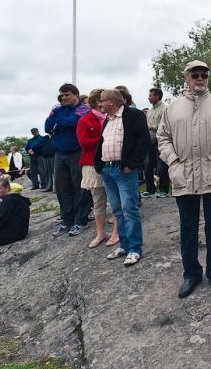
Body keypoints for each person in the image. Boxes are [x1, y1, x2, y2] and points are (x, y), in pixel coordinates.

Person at [157, 60, 211, 298]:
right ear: (186, 77)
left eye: (204, 74)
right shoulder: (172, 108)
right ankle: (191, 273)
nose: (200, 78)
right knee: (188, 228)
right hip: (184, 176)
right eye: (195, 74)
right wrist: (173, 162)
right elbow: (163, 138)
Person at [94, 89, 150, 266]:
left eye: (101, 101)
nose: (99, 104)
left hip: (123, 170)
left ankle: (135, 249)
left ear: (111, 101)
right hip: (108, 170)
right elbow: (103, 142)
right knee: (117, 210)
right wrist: (99, 165)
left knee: (129, 209)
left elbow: (143, 140)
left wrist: (130, 164)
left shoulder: (133, 114)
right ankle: (124, 245)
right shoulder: (107, 119)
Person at [45, 83, 91, 237]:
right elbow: (47, 126)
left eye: (67, 94)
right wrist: (58, 118)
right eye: (62, 95)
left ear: (76, 95)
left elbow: (73, 122)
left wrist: (59, 120)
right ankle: (67, 220)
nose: (64, 97)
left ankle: (80, 221)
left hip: (77, 151)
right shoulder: (57, 109)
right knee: (62, 188)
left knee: (80, 187)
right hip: (60, 153)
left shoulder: (84, 109)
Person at [77, 89, 120, 249]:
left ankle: (116, 232)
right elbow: (84, 142)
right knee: (98, 201)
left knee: (115, 199)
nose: (104, 103)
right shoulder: (85, 120)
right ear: (97, 102)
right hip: (91, 164)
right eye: (101, 100)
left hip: (112, 161)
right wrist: (105, 138)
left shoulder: (113, 118)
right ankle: (101, 233)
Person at [142, 87, 170, 198]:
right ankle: (150, 189)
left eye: (151, 95)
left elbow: (166, 125)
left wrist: (152, 127)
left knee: (162, 166)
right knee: (147, 165)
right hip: (150, 141)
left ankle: (164, 190)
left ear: (157, 96)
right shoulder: (150, 111)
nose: (148, 97)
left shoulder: (165, 109)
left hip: (161, 141)